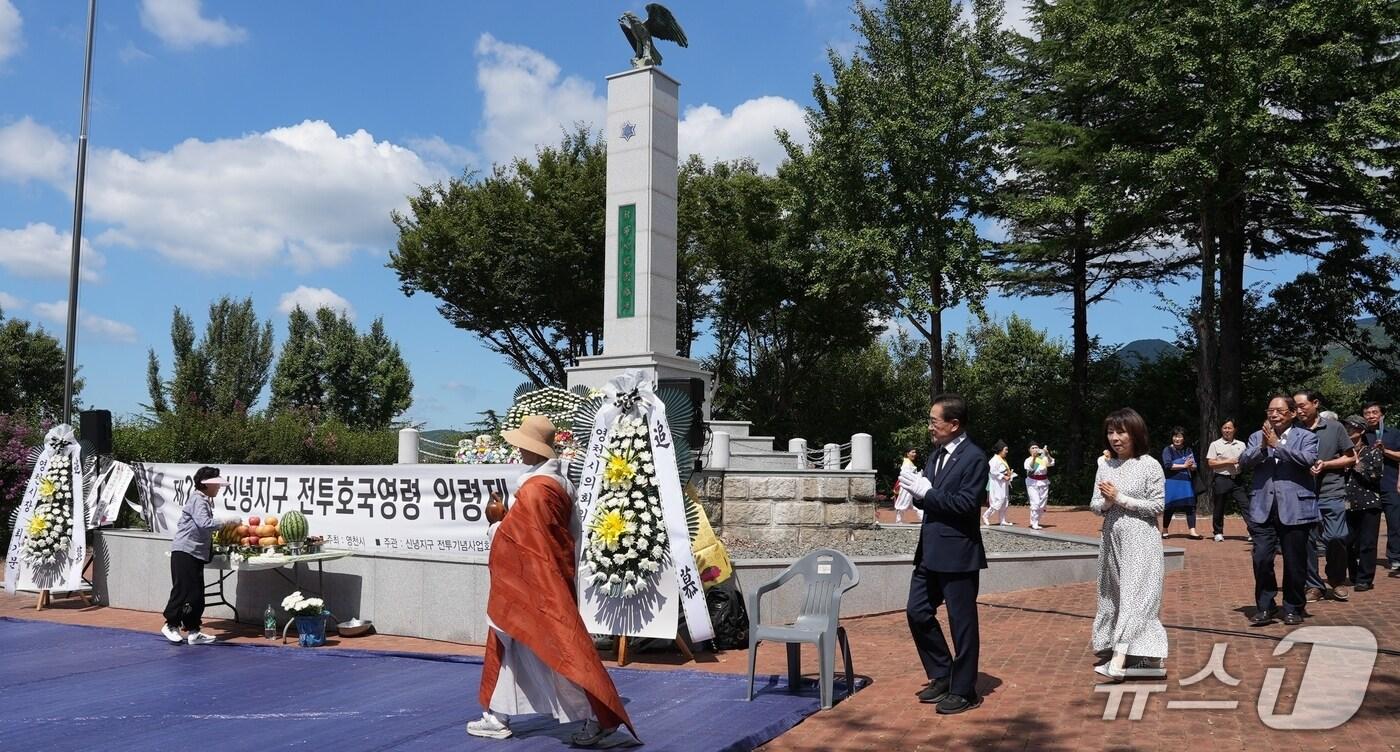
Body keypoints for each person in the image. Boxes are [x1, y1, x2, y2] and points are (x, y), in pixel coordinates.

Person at [468, 415, 637, 747]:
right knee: (523, 646)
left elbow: (515, 538)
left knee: (559, 649)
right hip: (550, 575)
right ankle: (497, 715)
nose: (518, 450)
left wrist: (495, 523)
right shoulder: (560, 484)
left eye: (521, 445)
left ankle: (598, 716)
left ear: (534, 450)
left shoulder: (534, 491)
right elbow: (568, 534)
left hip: (531, 583)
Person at [899, 393, 990, 715]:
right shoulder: (936, 455)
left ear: (954, 424)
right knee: (917, 611)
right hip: (929, 550)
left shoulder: (974, 458)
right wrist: (918, 491)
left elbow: (967, 505)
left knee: (961, 623)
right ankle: (943, 672)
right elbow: (930, 499)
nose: (929, 427)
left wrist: (928, 492)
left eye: (934, 421)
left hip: (958, 551)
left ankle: (965, 690)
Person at [1090, 408, 1168, 681]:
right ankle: (1151, 662)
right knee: (1115, 595)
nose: (1115, 438)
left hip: (1141, 539)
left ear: (1135, 433)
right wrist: (1108, 502)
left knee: (1137, 598)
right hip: (1112, 539)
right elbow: (1095, 505)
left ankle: (1119, 661)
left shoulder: (1149, 464)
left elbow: (1158, 506)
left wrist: (1121, 498)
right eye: (1111, 432)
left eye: (1121, 432)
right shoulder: (1105, 466)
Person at [1238, 395, 1320, 626]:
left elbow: (1308, 459)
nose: (1273, 415)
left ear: (1293, 413)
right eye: (1270, 411)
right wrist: (1264, 447)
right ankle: (1265, 606)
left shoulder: (1307, 436)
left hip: (1295, 508)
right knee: (1261, 558)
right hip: (1263, 506)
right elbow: (1243, 461)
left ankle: (1293, 606)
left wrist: (1278, 445)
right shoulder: (1257, 436)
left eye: (1279, 411)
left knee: (1295, 561)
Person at [161, 466, 235, 645]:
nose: (218, 488)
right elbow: (204, 523)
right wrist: (227, 521)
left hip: (194, 553)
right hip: (185, 551)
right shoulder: (198, 499)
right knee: (183, 590)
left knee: (196, 593)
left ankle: (194, 630)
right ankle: (170, 624)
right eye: (216, 484)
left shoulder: (204, 500)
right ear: (205, 485)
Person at [1294, 390, 1356, 602]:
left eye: (1303, 405)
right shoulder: (1294, 430)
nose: (1299, 410)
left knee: (1337, 537)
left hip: (1331, 491)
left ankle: (1337, 579)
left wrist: (1327, 464)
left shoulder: (1335, 428)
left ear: (1315, 403)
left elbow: (1351, 458)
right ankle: (1314, 585)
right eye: (1296, 407)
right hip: (1302, 493)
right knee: (1308, 542)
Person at [1342, 415, 1384, 592]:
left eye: (1350, 428)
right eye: (1345, 428)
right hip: (1348, 503)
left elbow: (1375, 476)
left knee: (1367, 543)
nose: (1347, 432)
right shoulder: (1343, 452)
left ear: (1361, 431)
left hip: (1369, 502)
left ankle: (1365, 579)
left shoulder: (1373, 451)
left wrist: (1356, 464)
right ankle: (1353, 574)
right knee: (1347, 542)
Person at [1361, 402, 1400, 573]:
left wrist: (1385, 451)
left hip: (1390, 484)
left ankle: (1395, 557)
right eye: (1367, 413)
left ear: (1382, 415)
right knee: (1367, 526)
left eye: (1374, 412)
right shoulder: (1362, 435)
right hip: (1368, 487)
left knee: (1395, 524)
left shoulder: (1394, 433)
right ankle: (1364, 556)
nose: (1371, 416)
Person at [1206, 419, 1247, 542]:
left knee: (1246, 505)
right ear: (1221, 429)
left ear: (1234, 429)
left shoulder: (1241, 444)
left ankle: (1254, 531)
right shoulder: (1215, 444)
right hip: (1221, 479)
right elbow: (1211, 463)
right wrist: (1228, 461)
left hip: (1237, 479)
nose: (1227, 430)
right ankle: (1218, 532)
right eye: (1224, 428)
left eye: (1229, 428)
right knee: (1219, 507)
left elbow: (1246, 460)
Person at [1160, 428, 1202, 539]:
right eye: (1175, 436)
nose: (1177, 439)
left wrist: (1192, 466)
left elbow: (1193, 466)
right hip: (1171, 482)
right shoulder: (1167, 450)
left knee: (1190, 505)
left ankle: (1192, 531)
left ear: (1184, 438)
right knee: (1170, 506)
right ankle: (1164, 529)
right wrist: (1184, 465)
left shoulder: (1188, 450)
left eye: (1179, 436)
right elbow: (1168, 465)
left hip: (1186, 482)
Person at [983, 441, 1014, 527]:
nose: (1007, 451)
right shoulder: (994, 460)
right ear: (1000, 450)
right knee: (999, 500)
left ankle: (1002, 520)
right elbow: (993, 471)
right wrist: (1003, 477)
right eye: (1005, 450)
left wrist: (1008, 475)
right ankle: (986, 515)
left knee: (1005, 501)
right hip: (997, 484)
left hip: (1004, 484)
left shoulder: (1002, 459)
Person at [1024, 443, 1054, 530]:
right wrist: (1033, 458)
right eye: (1032, 448)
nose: (1035, 449)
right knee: (1036, 502)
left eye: (1036, 447)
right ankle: (1035, 522)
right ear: (1029, 450)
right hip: (1032, 483)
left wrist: (1047, 454)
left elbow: (1051, 463)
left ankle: (1034, 519)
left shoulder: (1042, 459)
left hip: (1044, 482)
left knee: (1042, 505)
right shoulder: (1028, 460)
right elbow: (1030, 468)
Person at [893, 448, 921, 524]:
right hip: (907, 487)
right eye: (912, 452)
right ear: (907, 454)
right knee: (904, 502)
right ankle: (899, 520)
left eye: (915, 452)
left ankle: (899, 520)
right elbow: (905, 475)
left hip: (909, 486)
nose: (914, 454)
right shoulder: (906, 464)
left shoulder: (908, 462)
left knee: (910, 503)